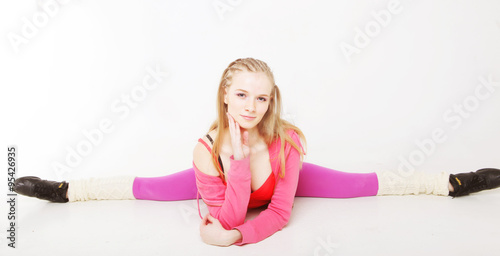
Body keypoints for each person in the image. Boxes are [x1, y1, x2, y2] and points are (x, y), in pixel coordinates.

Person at [14, 58, 500, 246]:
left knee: (360, 184)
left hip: (276, 175)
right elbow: (225, 215)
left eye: (261, 97)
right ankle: (62, 190)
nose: (251, 106)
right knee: (149, 189)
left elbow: (277, 214)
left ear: (272, 99)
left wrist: (239, 238)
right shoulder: (205, 151)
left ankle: (454, 182)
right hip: (221, 178)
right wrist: (236, 169)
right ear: (225, 95)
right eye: (242, 95)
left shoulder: (288, 143)